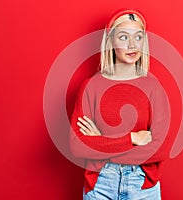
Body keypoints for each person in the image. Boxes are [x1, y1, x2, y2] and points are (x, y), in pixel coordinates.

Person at [70, 9, 172, 200]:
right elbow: (76, 146)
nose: (132, 44)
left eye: (138, 37)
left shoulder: (153, 87)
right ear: (110, 41)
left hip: (142, 186)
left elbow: (160, 149)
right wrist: (131, 138)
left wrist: (100, 144)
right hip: (101, 184)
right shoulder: (91, 86)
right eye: (124, 37)